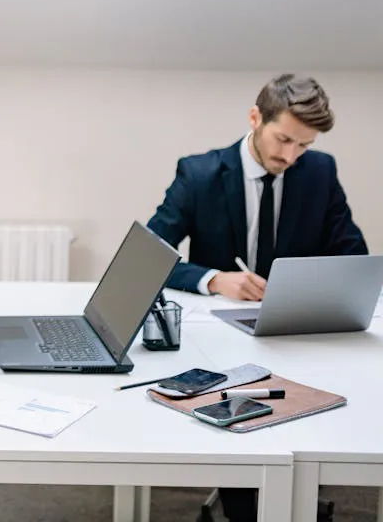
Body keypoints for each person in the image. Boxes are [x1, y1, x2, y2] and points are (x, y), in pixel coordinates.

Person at [146, 73, 367, 522]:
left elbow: (353, 254)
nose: (290, 156)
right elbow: (151, 254)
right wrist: (213, 279)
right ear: (255, 118)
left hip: (295, 330)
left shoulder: (320, 171)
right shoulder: (200, 172)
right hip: (221, 338)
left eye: (302, 146)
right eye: (284, 139)